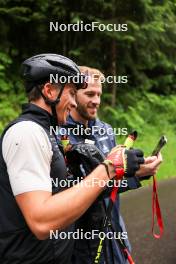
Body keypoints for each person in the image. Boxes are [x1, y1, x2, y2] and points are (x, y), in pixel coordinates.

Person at [0, 54, 147, 264]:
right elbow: (41, 221)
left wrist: (127, 173)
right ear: (49, 91)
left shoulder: (46, 132)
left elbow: (71, 195)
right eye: (71, 93)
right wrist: (108, 169)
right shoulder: (27, 132)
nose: (73, 101)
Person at [63, 66, 162, 264]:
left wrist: (139, 172)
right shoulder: (61, 134)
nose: (96, 101)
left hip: (116, 240)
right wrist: (132, 173)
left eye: (99, 94)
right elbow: (77, 191)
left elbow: (112, 184)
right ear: (73, 94)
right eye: (90, 94)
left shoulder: (106, 130)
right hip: (82, 246)